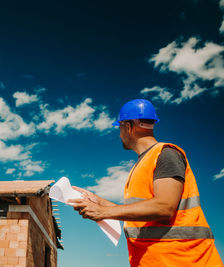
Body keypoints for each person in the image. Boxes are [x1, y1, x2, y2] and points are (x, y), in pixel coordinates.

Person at [68, 99, 223, 267]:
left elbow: (164, 207)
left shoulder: (165, 154)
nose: (120, 134)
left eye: (120, 128)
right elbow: (142, 210)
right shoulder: (143, 163)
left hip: (183, 260)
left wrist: (103, 211)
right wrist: (100, 202)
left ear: (128, 126)